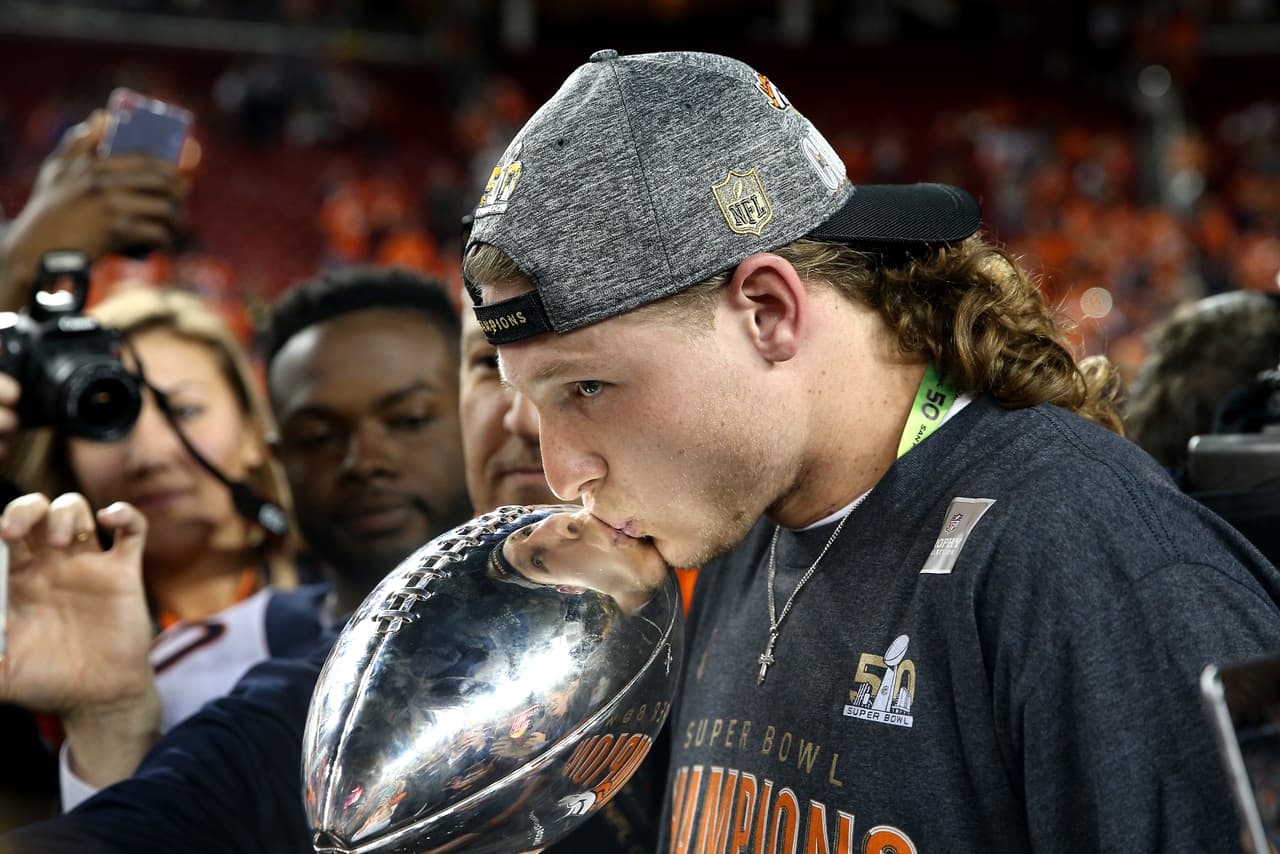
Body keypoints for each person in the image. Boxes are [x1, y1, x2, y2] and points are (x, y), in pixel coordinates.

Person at [458, 50, 1280, 851]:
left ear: (770, 311)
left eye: (588, 389)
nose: (564, 471)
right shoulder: (739, 516)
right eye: (531, 400)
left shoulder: (1090, 558)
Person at [0, 286, 304, 813]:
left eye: (183, 411)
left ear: (254, 431)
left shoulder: (361, 590)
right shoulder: (26, 656)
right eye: (105, 412)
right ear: (65, 455)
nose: (149, 454)